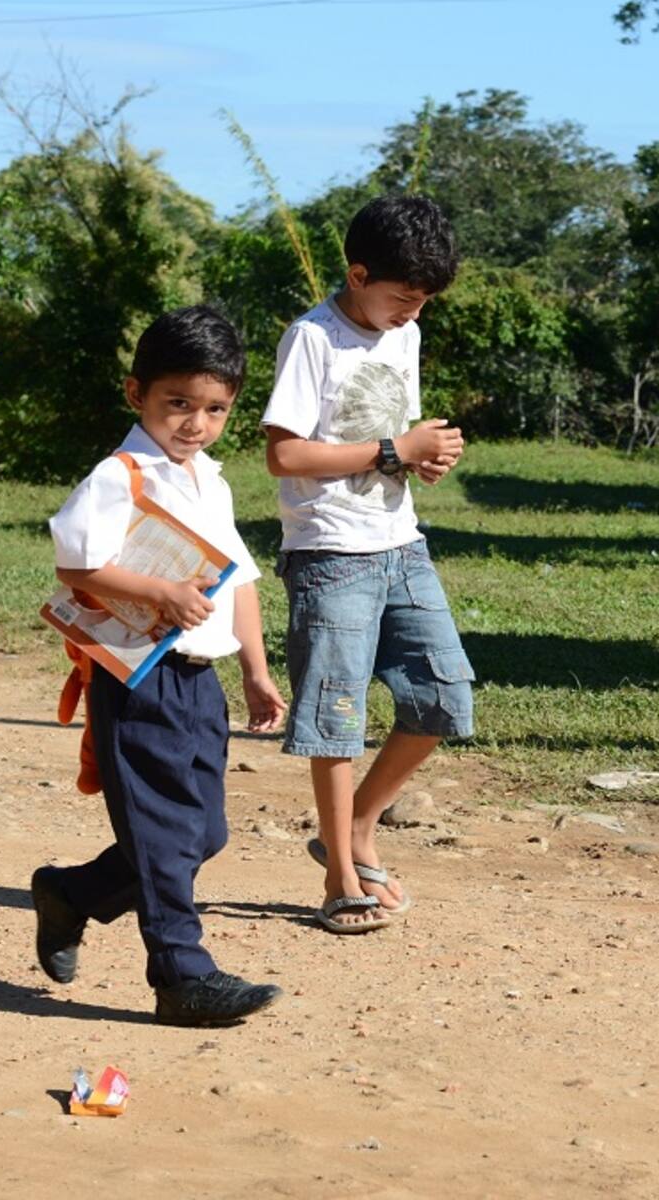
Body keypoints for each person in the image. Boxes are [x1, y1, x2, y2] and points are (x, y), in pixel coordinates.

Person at [32, 305, 288, 1025]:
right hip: (138, 678)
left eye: (215, 409)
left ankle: (72, 894)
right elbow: (76, 563)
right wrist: (159, 593)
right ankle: (181, 977)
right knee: (167, 834)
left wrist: (256, 672)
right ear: (136, 393)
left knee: (203, 833)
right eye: (179, 404)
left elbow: (238, 580)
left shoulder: (210, 479)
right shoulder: (119, 477)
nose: (196, 424)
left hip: (198, 680)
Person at [261, 195, 475, 934]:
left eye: (423, 302)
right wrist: (394, 450)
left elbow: (392, 438)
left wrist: (421, 459)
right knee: (338, 716)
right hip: (329, 553)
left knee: (443, 696)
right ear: (357, 275)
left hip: (400, 544)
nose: (412, 313)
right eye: (403, 297)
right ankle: (341, 880)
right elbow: (284, 455)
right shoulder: (312, 339)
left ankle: (352, 828)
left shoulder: (403, 334)